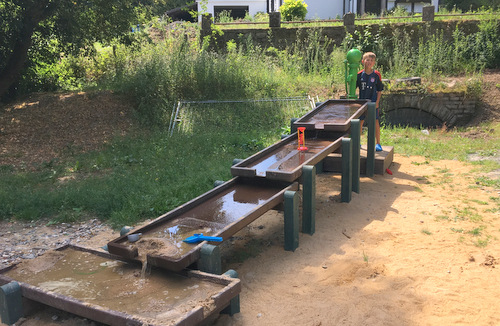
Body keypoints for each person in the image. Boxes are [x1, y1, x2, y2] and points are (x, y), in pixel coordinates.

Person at [357, 51, 384, 151]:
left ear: (374, 63)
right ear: (363, 61)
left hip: (372, 103)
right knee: (360, 122)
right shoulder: (359, 75)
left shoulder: (376, 75)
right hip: (362, 102)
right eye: (368, 60)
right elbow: (353, 87)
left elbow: (379, 90)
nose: (369, 62)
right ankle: (358, 142)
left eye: (372, 60)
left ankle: (378, 143)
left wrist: (377, 102)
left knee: (375, 121)